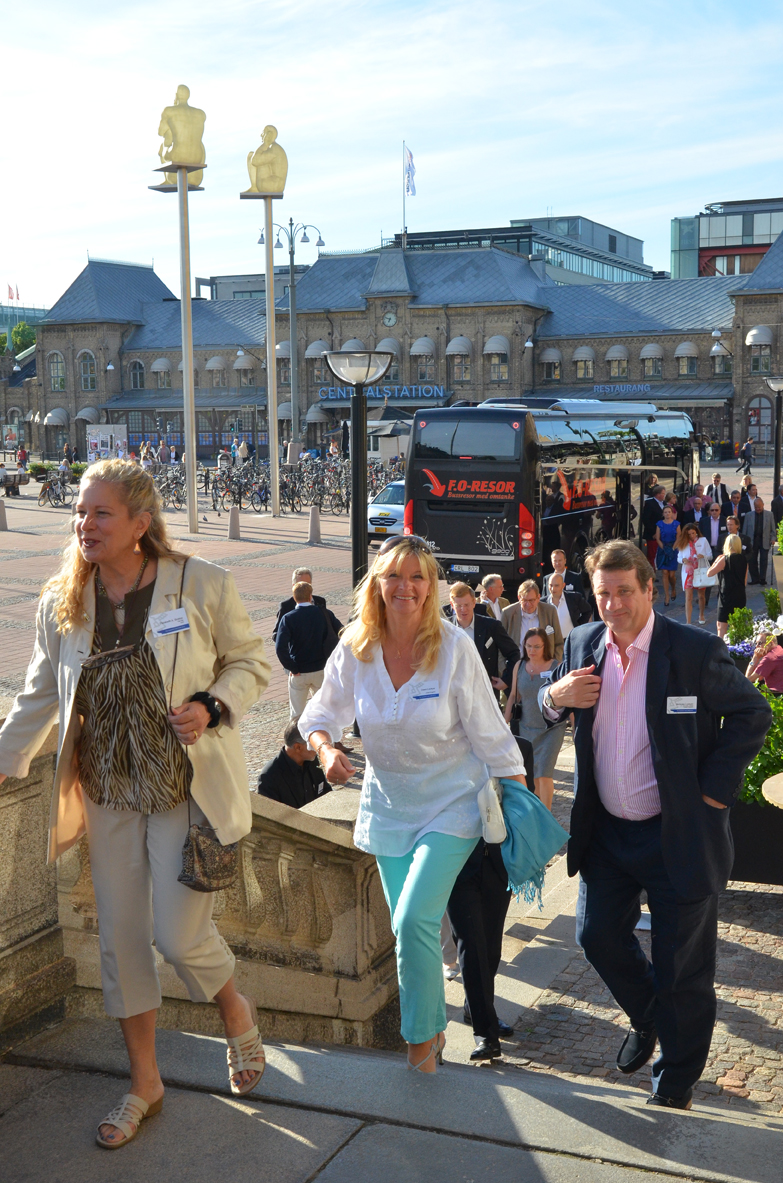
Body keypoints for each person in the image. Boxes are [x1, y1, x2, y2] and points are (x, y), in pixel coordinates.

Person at [0, 460, 271, 1147]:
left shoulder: (199, 582)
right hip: (107, 788)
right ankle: (144, 1082)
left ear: (140, 523)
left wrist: (212, 705)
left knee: (177, 937)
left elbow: (250, 661)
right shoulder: (62, 599)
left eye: (101, 513)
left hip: (182, 785)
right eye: (80, 512)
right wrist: (4, 758)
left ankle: (232, 1005)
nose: (83, 524)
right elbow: (39, 694)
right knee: (121, 941)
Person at [539, 539, 770, 1110]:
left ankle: (673, 1087)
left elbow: (752, 712)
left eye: (624, 591)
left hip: (678, 833)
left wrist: (713, 792)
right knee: (595, 935)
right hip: (608, 832)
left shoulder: (691, 650)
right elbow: (547, 707)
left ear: (648, 588)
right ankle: (648, 1016)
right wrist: (553, 696)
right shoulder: (583, 642)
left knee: (682, 970)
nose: (613, 605)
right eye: (603, 593)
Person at [299, 535, 528, 1073]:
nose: (405, 587)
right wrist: (327, 750)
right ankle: (435, 1030)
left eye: (417, 577)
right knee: (410, 930)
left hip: (453, 805)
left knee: (413, 916)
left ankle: (419, 1049)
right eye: (394, 576)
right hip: (389, 807)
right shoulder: (356, 645)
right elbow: (319, 714)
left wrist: (522, 804)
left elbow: (491, 732)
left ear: (431, 587)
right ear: (376, 584)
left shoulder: (453, 647)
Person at [445, 740, 535, 1062]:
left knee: (492, 946)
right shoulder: (446, 747)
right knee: (471, 944)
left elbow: (525, 805)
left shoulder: (518, 748)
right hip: (457, 863)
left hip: (498, 864)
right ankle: (486, 1033)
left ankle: (475, 1008)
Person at [504, 628, 566, 810]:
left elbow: (565, 699)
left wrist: (577, 724)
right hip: (527, 727)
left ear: (545, 646)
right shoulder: (519, 666)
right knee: (533, 775)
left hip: (551, 729)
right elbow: (513, 695)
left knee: (544, 773)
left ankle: (546, 815)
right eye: (528, 646)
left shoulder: (556, 667)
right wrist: (504, 721)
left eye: (537, 646)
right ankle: (539, 811)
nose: (532, 650)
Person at [275, 581, 341, 717]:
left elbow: (280, 648)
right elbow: (342, 632)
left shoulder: (288, 618)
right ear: (311, 596)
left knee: (297, 713)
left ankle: (297, 731)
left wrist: (292, 667)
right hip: (321, 669)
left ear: (294, 598)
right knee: (324, 710)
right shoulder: (324, 613)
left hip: (299, 671)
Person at [444, 582, 520, 697]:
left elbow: (513, 653)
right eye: (458, 605)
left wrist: (506, 680)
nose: (463, 609)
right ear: (452, 605)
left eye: (467, 604)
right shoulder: (444, 629)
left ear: (474, 602)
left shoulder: (491, 626)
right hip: (453, 694)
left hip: (485, 693)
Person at [256, 720, 331, 807]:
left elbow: (325, 792)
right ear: (298, 747)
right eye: (313, 744)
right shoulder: (269, 777)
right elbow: (270, 813)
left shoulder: (312, 761)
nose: (317, 747)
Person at [502, 581, 564, 660]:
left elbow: (559, 643)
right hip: (518, 663)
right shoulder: (508, 613)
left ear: (538, 598)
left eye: (531, 600)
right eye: (524, 600)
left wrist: (554, 663)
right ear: (519, 598)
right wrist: (503, 667)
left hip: (544, 663)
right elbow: (501, 645)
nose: (528, 604)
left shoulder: (550, 611)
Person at [707, 534, 749, 640]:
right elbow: (744, 580)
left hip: (726, 595)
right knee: (736, 625)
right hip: (740, 594)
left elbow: (709, 573)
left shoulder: (725, 559)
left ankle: (721, 647)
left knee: (721, 625)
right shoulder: (744, 559)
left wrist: (716, 560)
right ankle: (737, 646)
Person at [677, 522, 712, 625]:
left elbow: (710, 555)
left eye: (693, 533)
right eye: (689, 534)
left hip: (700, 571)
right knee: (688, 597)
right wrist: (683, 560)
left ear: (696, 532)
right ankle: (688, 622)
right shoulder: (683, 543)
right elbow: (679, 557)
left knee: (701, 596)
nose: (691, 536)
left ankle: (701, 614)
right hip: (688, 572)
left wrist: (703, 556)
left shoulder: (703, 540)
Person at [543, 573, 591, 640]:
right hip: (552, 642)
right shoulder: (543, 603)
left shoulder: (574, 598)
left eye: (556, 585)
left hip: (571, 639)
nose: (553, 589)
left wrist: (578, 625)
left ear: (563, 585)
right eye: (551, 585)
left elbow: (587, 610)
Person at [741, 496, 775, 585]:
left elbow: (773, 530)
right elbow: (744, 530)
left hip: (764, 540)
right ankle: (755, 578)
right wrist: (744, 542)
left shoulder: (769, 514)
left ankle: (762, 579)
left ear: (763, 505)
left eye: (759, 507)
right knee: (752, 560)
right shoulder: (749, 515)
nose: (758, 509)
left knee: (764, 560)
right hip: (752, 541)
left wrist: (772, 539)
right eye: (756, 507)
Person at [654, 506, 680, 606]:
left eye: (669, 512)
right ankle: (667, 596)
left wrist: (672, 548)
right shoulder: (659, 524)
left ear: (672, 513)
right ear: (663, 514)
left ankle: (673, 589)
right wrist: (664, 548)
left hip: (673, 549)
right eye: (665, 512)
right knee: (665, 573)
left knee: (671, 575)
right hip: (663, 549)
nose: (667, 514)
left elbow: (678, 537)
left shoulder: (676, 524)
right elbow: (657, 538)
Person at [641, 485, 666, 566]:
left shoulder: (664, 503)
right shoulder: (650, 503)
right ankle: (651, 572)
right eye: (663, 493)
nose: (664, 495)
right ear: (658, 494)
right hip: (653, 535)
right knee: (652, 555)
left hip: (663, 533)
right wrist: (654, 533)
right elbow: (646, 519)